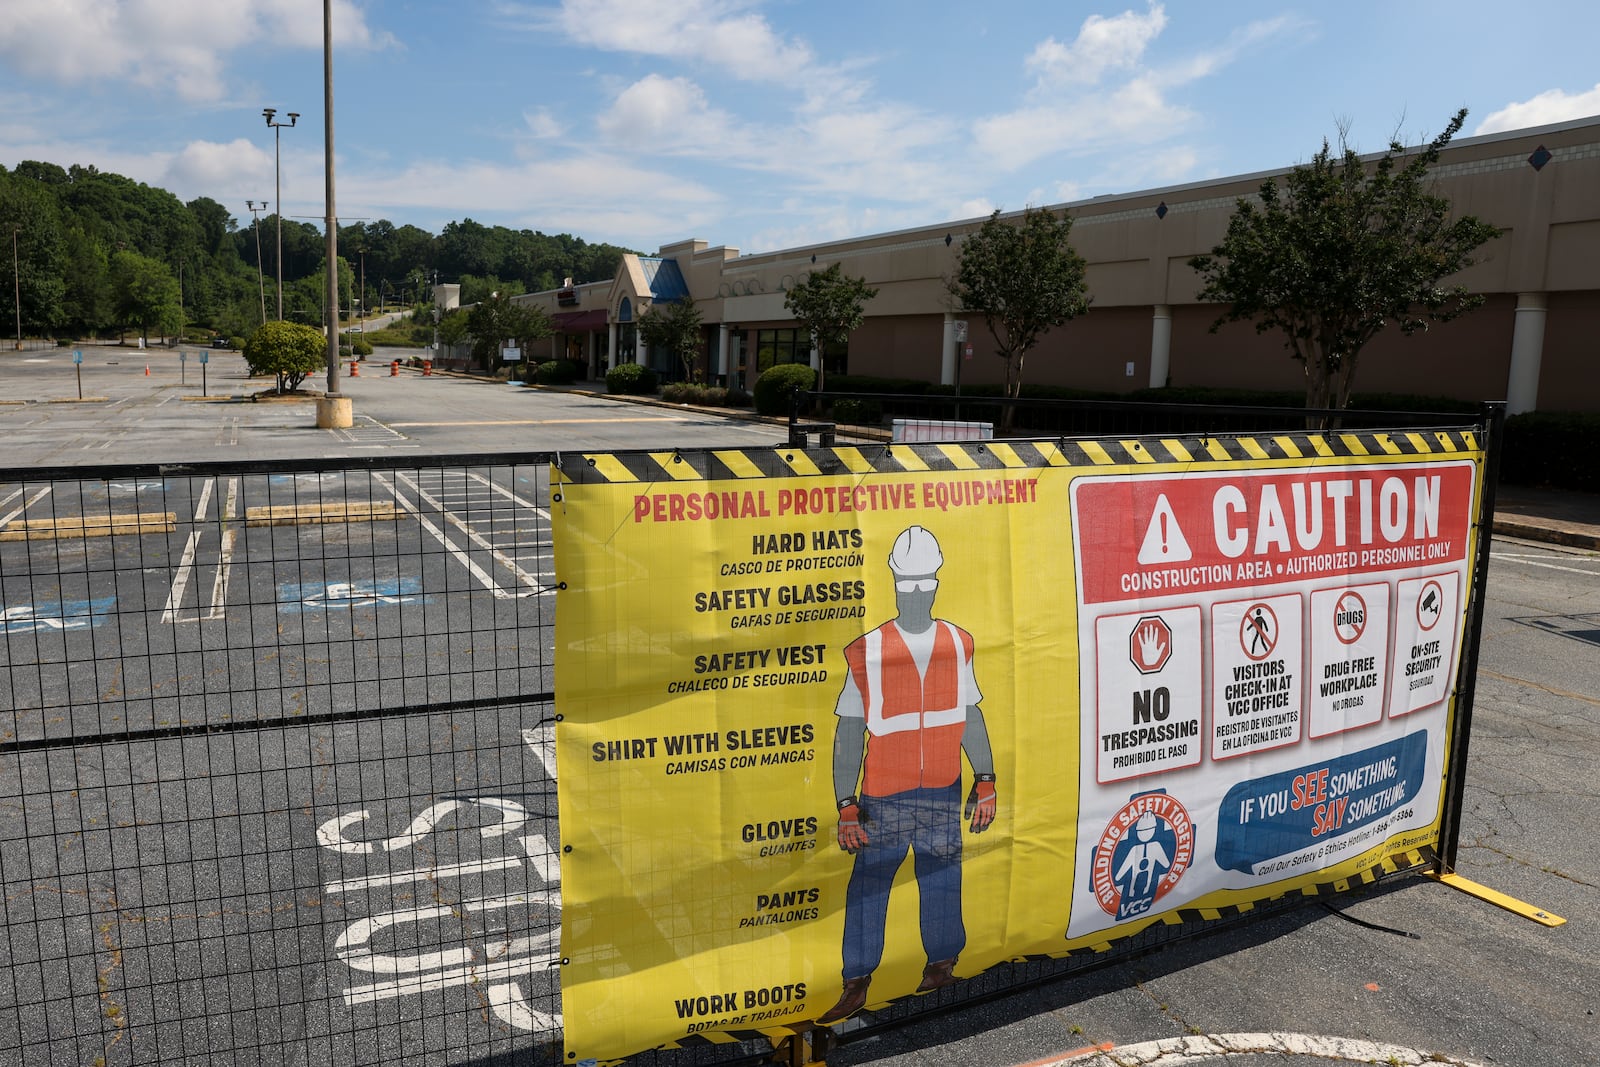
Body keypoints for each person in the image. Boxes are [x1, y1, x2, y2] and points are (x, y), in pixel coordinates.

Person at [816, 525, 998, 1026]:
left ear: (937, 583)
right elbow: (849, 734)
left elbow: (971, 715)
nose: (918, 594)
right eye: (909, 585)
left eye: (925, 584)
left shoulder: (957, 643)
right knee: (870, 885)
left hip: (942, 789)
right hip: (885, 797)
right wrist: (846, 805)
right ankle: (857, 983)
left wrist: (985, 778)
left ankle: (940, 968)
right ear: (896, 585)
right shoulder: (867, 651)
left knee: (942, 877)